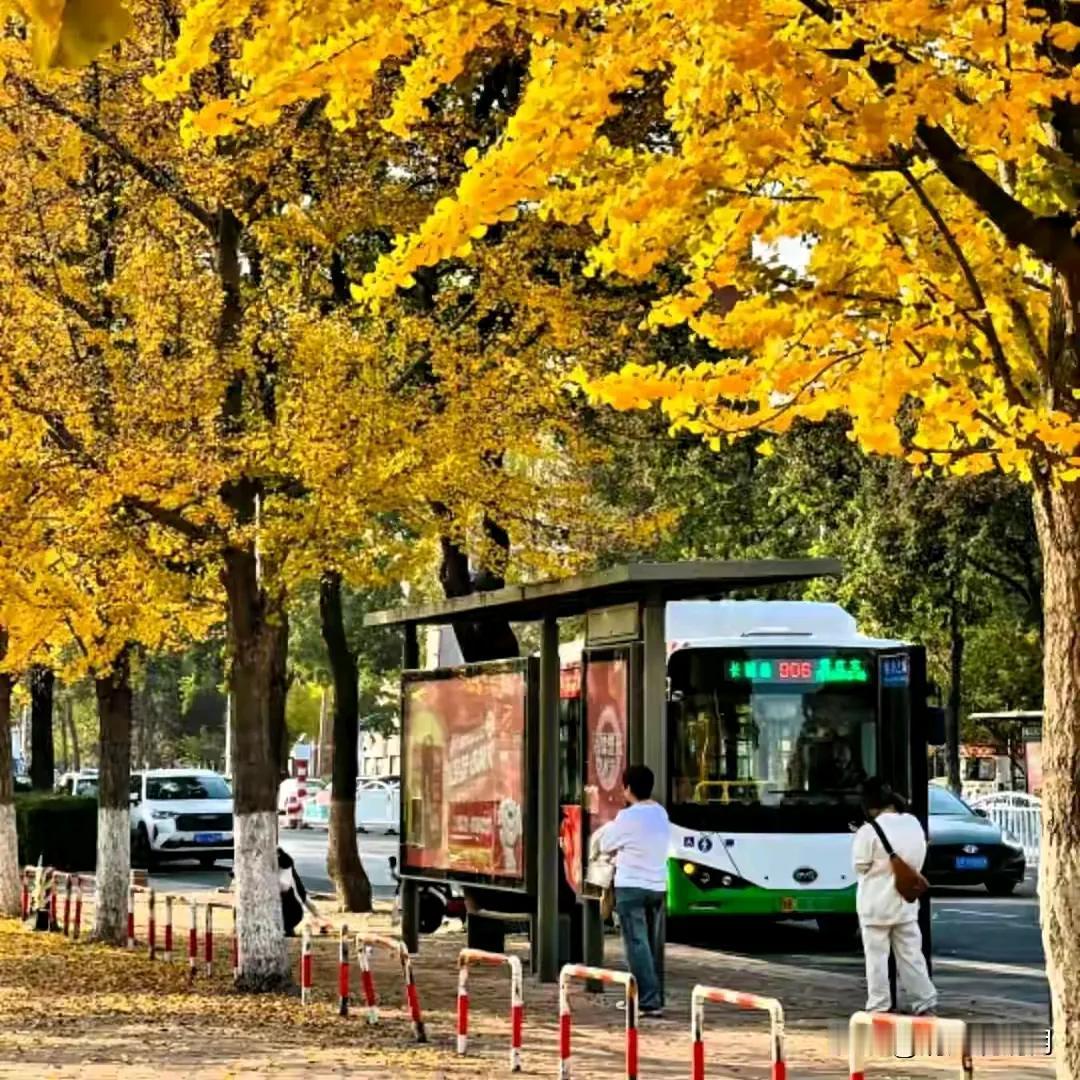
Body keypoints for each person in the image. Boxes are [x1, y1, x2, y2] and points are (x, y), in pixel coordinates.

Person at [852, 778, 937, 1015]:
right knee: (911, 955)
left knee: (877, 958)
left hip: (874, 905)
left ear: (868, 805)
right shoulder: (912, 823)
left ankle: (879, 1005)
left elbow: (859, 866)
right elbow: (920, 855)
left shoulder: (869, 831)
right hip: (905, 903)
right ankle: (924, 1001)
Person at [594, 764, 669, 1019]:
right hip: (657, 887)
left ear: (627, 788)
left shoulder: (628, 817)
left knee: (637, 946)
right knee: (652, 946)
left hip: (631, 887)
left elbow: (605, 844)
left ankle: (647, 1001)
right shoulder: (660, 813)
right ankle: (653, 995)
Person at [278, 847, 320, 936]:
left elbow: (301, 893)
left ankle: (286, 928)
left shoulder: (286, 869)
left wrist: (316, 914)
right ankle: (287, 929)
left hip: (292, 912)